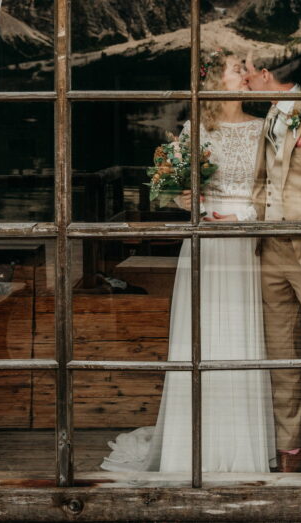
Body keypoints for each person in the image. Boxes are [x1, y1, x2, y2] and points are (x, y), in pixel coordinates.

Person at [101, 50, 275, 475]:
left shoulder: (262, 128)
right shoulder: (196, 131)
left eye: (245, 68)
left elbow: (273, 191)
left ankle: (240, 445)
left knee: (241, 335)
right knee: (203, 334)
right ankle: (192, 444)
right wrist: (185, 200)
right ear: (217, 80)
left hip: (244, 241)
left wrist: (243, 217)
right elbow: (176, 193)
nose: (246, 73)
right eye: (237, 69)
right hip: (206, 243)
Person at [244, 55, 301, 473]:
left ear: (265, 74)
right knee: (280, 355)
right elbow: (262, 179)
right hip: (269, 246)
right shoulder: (270, 115)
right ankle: (291, 449)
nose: (245, 80)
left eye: (248, 72)